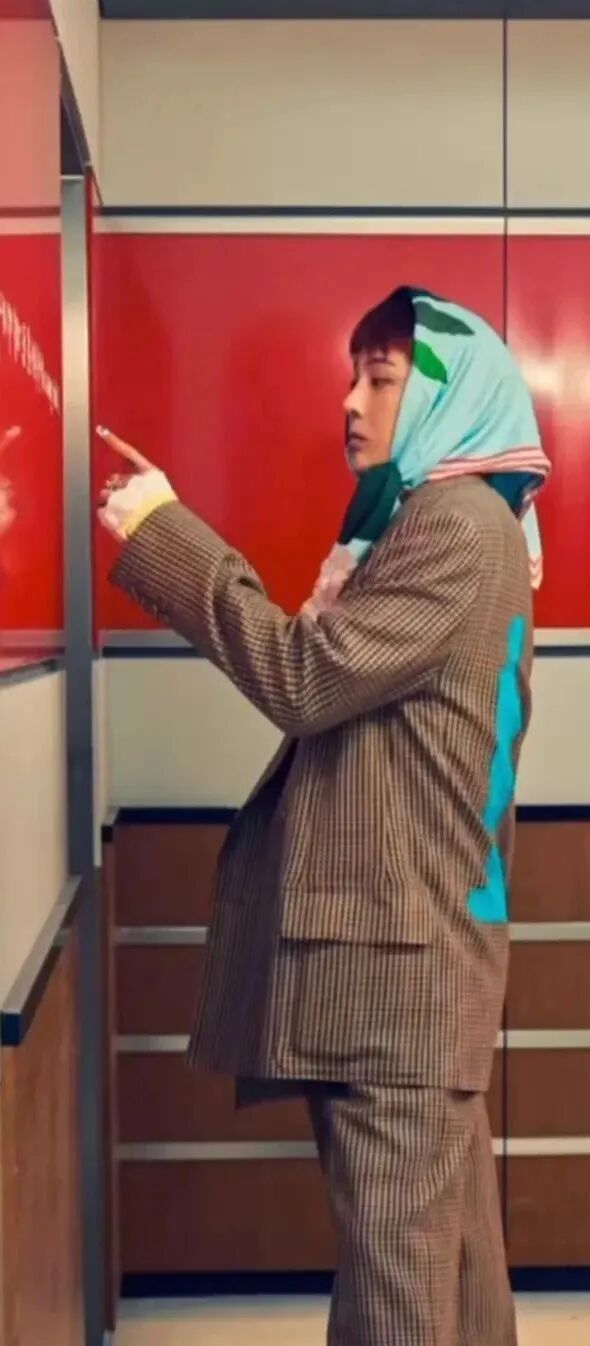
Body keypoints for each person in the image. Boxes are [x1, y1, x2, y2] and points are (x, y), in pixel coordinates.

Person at [98, 285, 550, 1346]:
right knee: (448, 1279)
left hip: (396, 975)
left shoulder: (454, 525)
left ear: (446, 400)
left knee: (398, 1296)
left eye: (379, 379)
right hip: (411, 964)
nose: (350, 401)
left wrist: (164, 535)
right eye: (353, 376)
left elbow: (305, 680)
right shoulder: (453, 523)